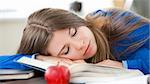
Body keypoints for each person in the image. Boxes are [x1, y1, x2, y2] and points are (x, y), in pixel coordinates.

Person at [0, 8, 149, 74]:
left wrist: (123, 65)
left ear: (78, 20)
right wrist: (39, 58)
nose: (80, 45)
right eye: (66, 50)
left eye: (74, 32)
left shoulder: (112, 22)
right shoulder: (70, 62)